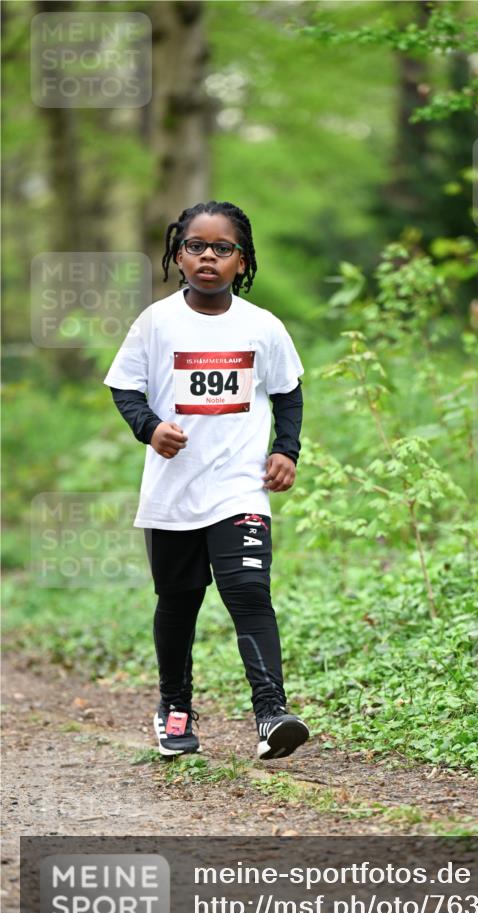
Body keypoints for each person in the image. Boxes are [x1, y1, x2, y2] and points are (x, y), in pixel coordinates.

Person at [103, 199, 309, 762]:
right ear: (178, 253)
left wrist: (285, 450)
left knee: (248, 593)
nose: (209, 257)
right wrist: (149, 429)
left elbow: (288, 391)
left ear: (242, 261)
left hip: (240, 488)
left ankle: (271, 713)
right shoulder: (156, 322)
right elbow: (124, 386)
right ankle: (174, 707)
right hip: (173, 492)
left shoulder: (262, 326)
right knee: (178, 601)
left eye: (223, 248)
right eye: (197, 246)